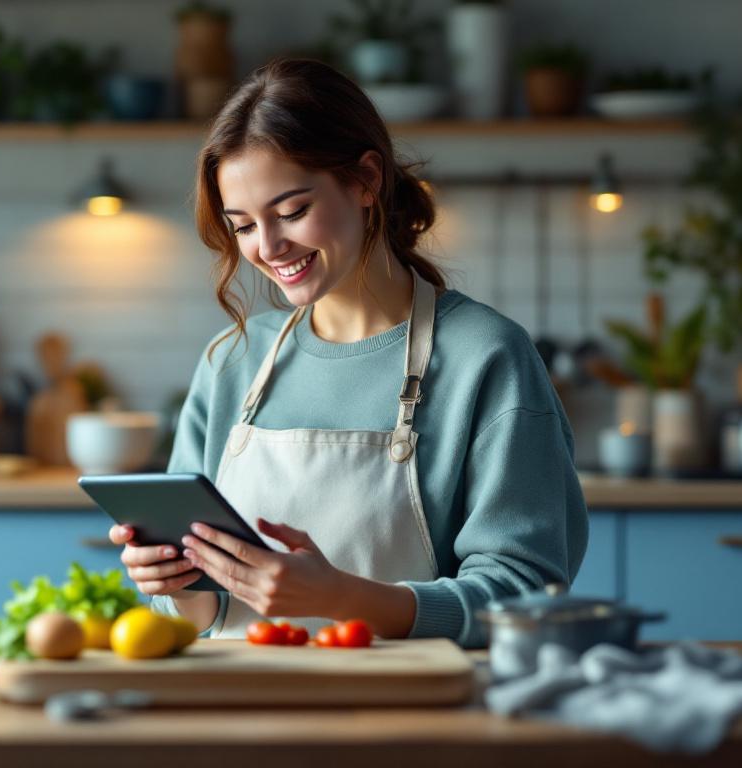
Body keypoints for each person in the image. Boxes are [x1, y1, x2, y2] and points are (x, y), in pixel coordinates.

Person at [108, 59, 588, 647]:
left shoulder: (486, 358)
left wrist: (340, 597)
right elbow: (200, 615)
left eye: (291, 212)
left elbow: (525, 594)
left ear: (366, 180)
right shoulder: (231, 360)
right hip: (240, 717)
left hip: (413, 719)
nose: (268, 247)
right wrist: (176, 585)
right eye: (243, 226)